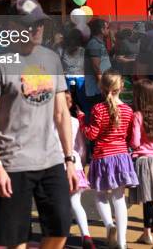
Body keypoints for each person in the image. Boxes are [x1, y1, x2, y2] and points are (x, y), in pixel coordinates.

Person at [0, 0, 78, 249]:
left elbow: (61, 114)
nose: (36, 29)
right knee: (16, 239)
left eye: (40, 24)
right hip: (13, 163)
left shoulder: (51, 59)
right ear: (12, 27)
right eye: (30, 25)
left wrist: (69, 159)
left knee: (60, 227)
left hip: (51, 160)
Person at [77, 70, 138, 249]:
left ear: (101, 88)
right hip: (121, 157)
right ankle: (122, 242)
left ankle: (110, 226)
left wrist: (81, 119)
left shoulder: (98, 109)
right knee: (119, 198)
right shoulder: (128, 110)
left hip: (102, 157)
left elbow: (91, 134)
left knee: (100, 195)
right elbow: (128, 137)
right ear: (121, 87)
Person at [65, 91, 95, 249]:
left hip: (56, 166)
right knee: (75, 202)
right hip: (75, 164)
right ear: (70, 104)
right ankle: (86, 235)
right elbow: (82, 147)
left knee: (59, 203)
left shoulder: (48, 121)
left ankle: (61, 233)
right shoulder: (75, 122)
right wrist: (82, 164)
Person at [129, 79, 153, 244]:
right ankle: (151, 230)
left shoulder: (137, 115)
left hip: (144, 160)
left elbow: (135, 142)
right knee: (152, 199)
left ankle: (147, 232)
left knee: (147, 199)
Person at [84, 19, 111, 112]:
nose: (109, 30)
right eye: (107, 28)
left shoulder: (98, 43)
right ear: (101, 30)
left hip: (99, 88)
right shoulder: (94, 43)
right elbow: (96, 67)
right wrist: (103, 86)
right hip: (97, 90)